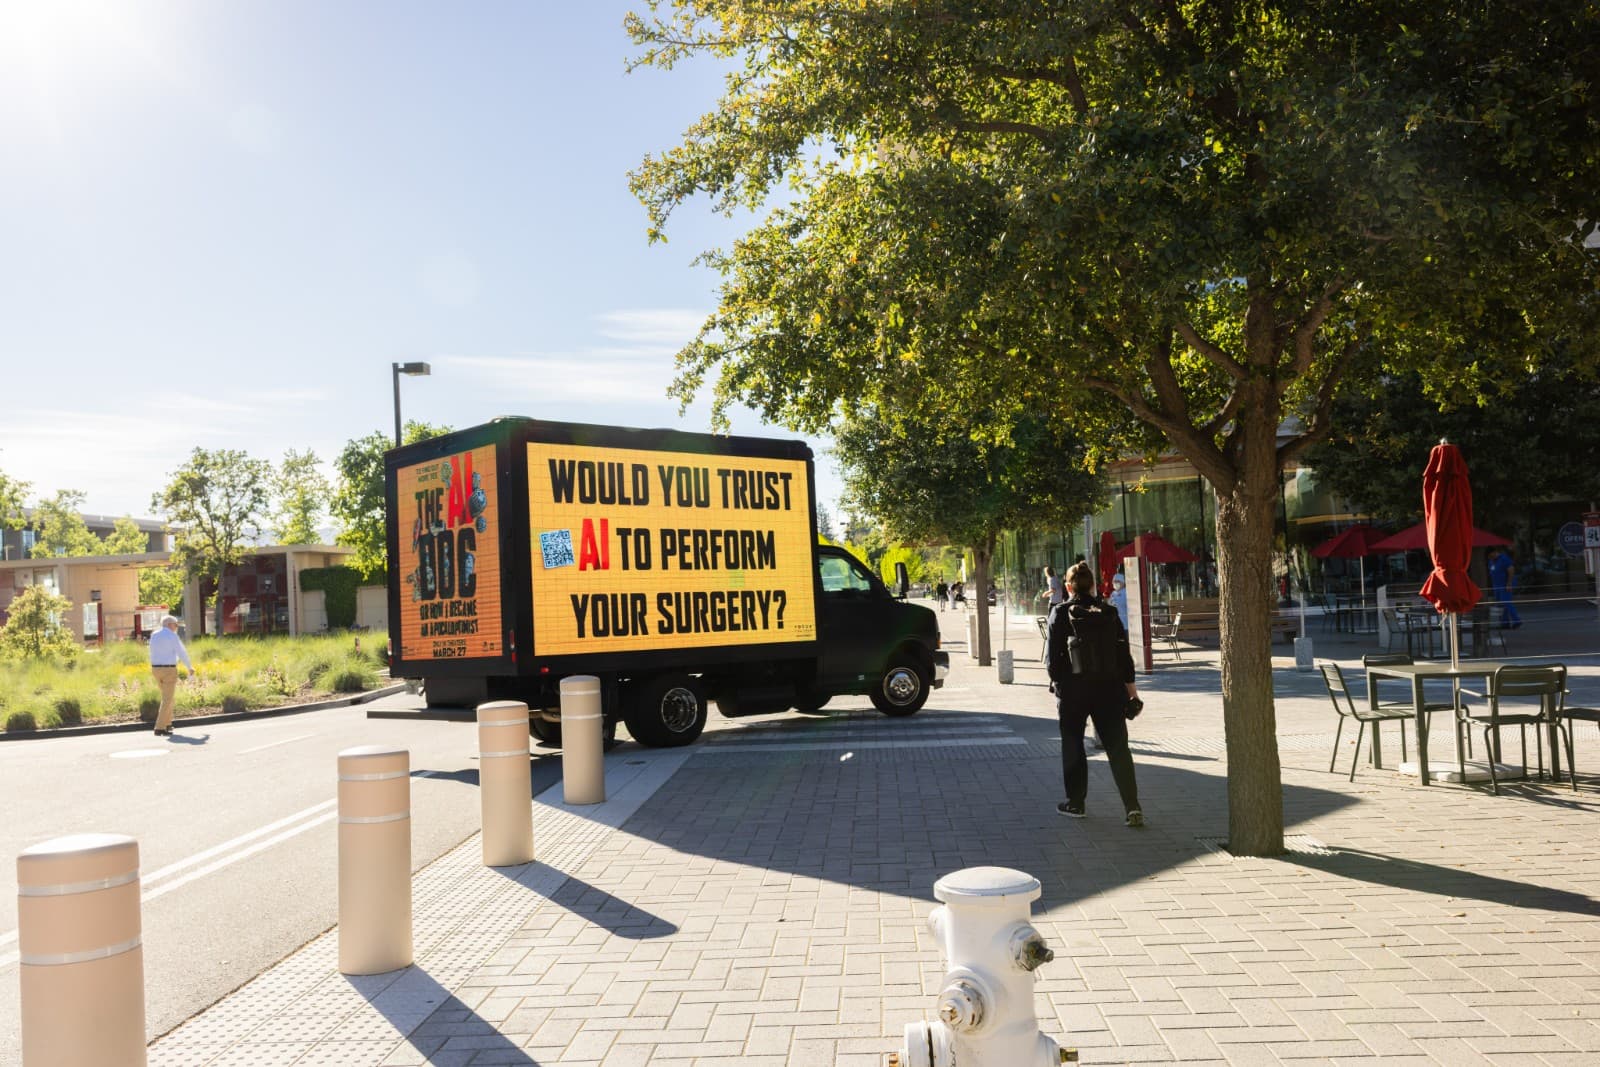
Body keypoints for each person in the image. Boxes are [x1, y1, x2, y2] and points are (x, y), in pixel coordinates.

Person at [1045, 562, 1143, 826]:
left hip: (1073, 691)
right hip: (1109, 689)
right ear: (1094, 586)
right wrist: (1131, 693)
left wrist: (1057, 683)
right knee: (1118, 748)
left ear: (1068, 587)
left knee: (1073, 744)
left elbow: (1052, 659)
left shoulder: (1060, 612)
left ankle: (1076, 804)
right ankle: (1132, 807)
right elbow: (1124, 657)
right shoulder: (1109, 612)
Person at [149, 614, 195, 736]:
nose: (177, 627)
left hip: (155, 669)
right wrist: (189, 667)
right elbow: (181, 652)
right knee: (167, 699)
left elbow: (152, 651)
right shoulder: (172, 636)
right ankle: (159, 727)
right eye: (176, 624)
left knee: (168, 697)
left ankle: (168, 724)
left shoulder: (154, 635)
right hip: (169, 670)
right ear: (170, 625)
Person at [1487, 548, 1522, 629]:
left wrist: (1509, 583)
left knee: (1506, 602)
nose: (1490, 557)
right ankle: (1505, 623)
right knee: (1500, 604)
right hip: (1497, 585)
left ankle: (1517, 620)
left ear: (1495, 552)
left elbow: (1511, 569)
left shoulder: (1504, 559)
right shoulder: (1491, 561)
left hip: (1505, 584)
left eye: (1491, 555)